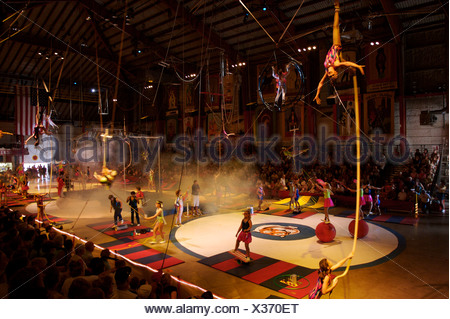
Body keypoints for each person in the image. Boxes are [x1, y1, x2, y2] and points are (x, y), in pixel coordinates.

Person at [313, 0, 365, 105]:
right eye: (333, 74)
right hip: (337, 46)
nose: (330, 74)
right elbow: (347, 63)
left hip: (338, 55)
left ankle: (352, 71)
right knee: (335, 28)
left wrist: (317, 95)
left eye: (331, 75)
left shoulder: (327, 71)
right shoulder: (335, 64)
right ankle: (337, 9)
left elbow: (320, 83)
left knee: (344, 63)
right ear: (336, 72)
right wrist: (358, 66)